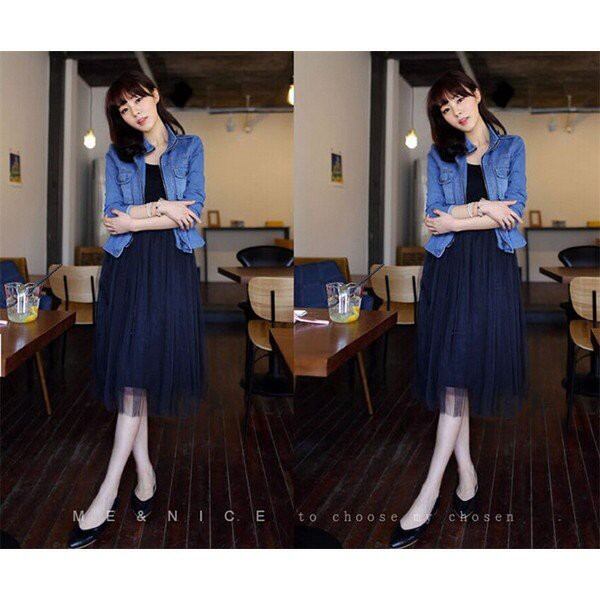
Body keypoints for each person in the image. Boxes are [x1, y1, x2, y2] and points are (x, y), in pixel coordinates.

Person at [69, 71, 208, 549]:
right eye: (124, 110)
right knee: (133, 371)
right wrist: (162, 208)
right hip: (127, 269)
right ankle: (142, 475)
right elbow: (113, 217)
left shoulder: (190, 148)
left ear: (154, 95)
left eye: (138, 101)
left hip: (170, 269)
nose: (134, 113)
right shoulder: (117, 155)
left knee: (139, 370)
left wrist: (139, 217)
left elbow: (192, 211)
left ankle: (109, 491)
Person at [390, 70, 528, 549]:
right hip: (448, 269)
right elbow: (434, 217)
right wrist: (485, 208)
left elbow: (514, 211)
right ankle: (465, 474)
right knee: (454, 371)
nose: (456, 112)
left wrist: (461, 216)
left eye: (460, 100)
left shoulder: (511, 149)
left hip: (491, 269)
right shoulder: (439, 154)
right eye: (445, 109)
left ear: (477, 95)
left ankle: (429, 492)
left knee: (459, 371)